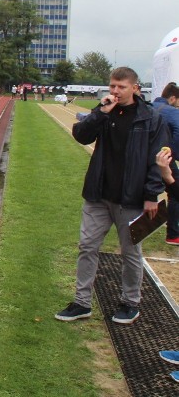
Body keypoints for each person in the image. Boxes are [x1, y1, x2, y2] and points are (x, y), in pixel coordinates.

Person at [55, 67, 169, 325]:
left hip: (131, 198)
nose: (115, 91)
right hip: (99, 195)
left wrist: (152, 194)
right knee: (87, 246)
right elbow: (81, 135)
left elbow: (157, 159)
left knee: (130, 252)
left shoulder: (151, 118)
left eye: (121, 87)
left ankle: (130, 302)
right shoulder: (104, 112)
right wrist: (99, 113)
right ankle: (82, 302)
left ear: (135, 88)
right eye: (112, 86)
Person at [152, 81, 179, 245]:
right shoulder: (172, 112)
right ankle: (173, 234)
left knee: (146, 192)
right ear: (173, 98)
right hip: (164, 158)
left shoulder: (148, 107)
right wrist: (173, 154)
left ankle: (132, 230)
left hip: (142, 158)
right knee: (175, 193)